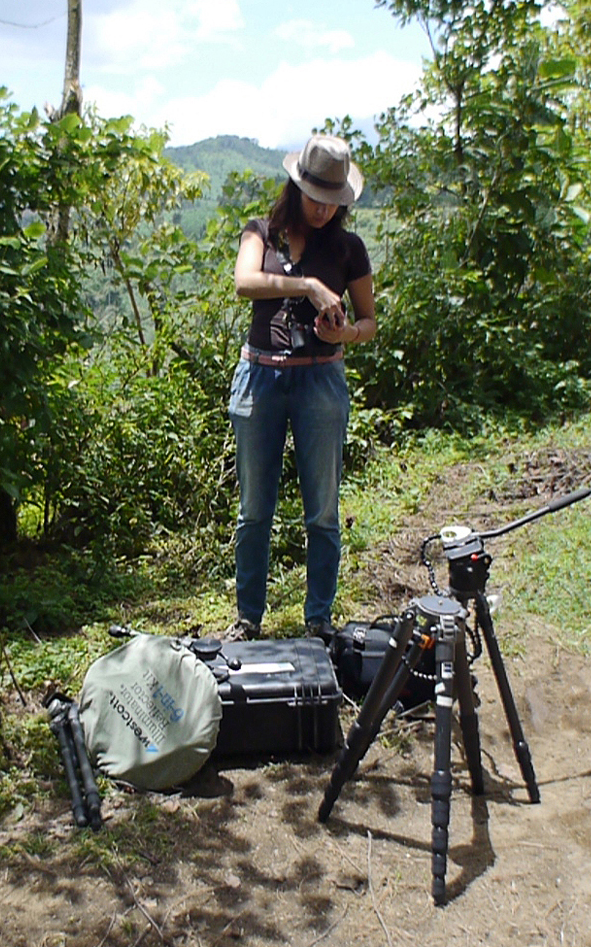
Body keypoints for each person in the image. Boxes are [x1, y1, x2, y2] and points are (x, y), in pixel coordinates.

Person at [226, 133, 376, 641]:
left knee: (324, 509)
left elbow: (369, 321)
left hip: (320, 378)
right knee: (254, 510)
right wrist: (307, 286)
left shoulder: (348, 248)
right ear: (297, 188)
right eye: (316, 199)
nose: (323, 211)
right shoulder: (261, 232)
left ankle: (319, 620)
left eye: (333, 203)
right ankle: (248, 617)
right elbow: (245, 282)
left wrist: (347, 333)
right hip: (260, 377)